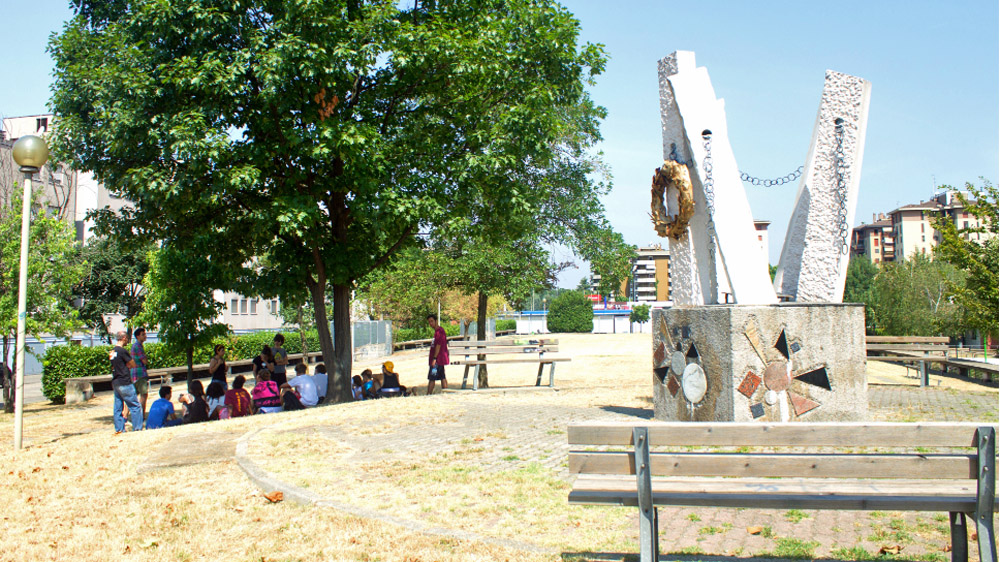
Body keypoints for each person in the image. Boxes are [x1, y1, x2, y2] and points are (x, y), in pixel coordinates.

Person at [110, 330, 142, 433]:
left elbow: (113, 366)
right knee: (135, 406)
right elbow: (132, 364)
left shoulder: (112, 352)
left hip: (116, 382)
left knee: (118, 407)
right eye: (127, 338)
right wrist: (128, 365)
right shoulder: (122, 351)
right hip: (124, 381)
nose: (128, 340)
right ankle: (137, 428)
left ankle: (119, 429)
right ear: (124, 338)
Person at [427, 314, 450, 395]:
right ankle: (446, 392)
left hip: (438, 360)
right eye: (429, 322)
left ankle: (429, 394)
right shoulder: (437, 332)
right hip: (439, 359)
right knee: (442, 376)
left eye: (432, 321)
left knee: (432, 377)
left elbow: (438, 346)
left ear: (436, 321)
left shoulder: (439, 332)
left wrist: (434, 358)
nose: (430, 323)